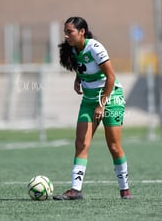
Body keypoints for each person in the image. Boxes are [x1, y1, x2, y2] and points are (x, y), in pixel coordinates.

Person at [53, 17, 131, 200]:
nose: (66, 35)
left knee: (113, 145)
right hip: (88, 100)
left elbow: (110, 77)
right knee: (81, 143)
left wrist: (101, 104)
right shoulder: (72, 49)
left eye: (69, 31)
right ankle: (75, 190)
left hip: (111, 98)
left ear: (82, 32)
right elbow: (84, 69)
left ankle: (125, 189)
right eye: (65, 31)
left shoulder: (95, 48)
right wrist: (78, 79)